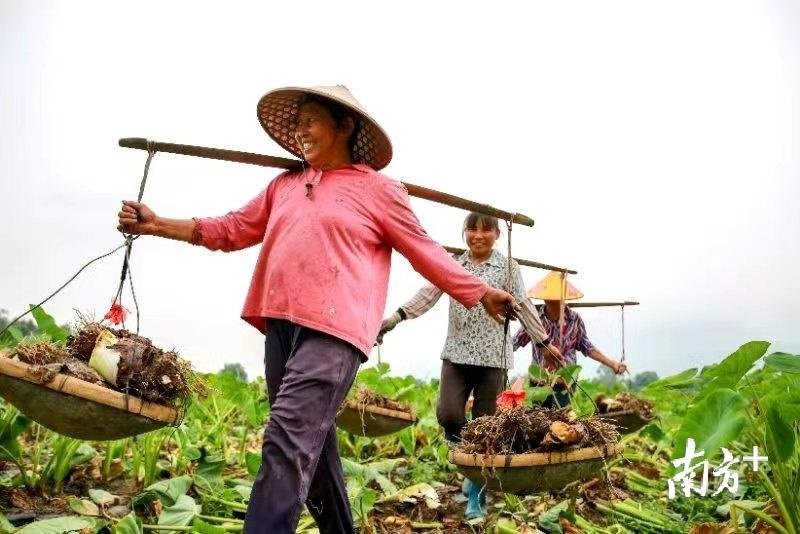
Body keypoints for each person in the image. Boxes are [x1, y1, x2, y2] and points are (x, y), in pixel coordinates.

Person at [116, 85, 516, 534]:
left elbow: (424, 251)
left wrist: (480, 291)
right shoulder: (284, 185)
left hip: (336, 332)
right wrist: (158, 224)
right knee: (313, 446)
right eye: (298, 122)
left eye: (311, 120)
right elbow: (231, 229)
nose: (301, 130)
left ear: (344, 126)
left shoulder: (380, 190)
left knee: (286, 439)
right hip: (280, 326)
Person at [378, 213, 560, 519]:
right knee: (449, 415)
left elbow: (525, 305)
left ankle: (476, 494)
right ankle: (472, 467)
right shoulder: (454, 264)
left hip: (493, 359)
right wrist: (395, 318)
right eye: (472, 229)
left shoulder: (507, 267)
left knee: (486, 431)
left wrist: (543, 342)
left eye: (485, 229)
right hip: (457, 354)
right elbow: (428, 293)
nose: (478, 235)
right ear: (465, 233)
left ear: (497, 234)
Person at [512, 271, 628, 408]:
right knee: (540, 418)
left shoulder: (574, 319)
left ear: (564, 299)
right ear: (544, 299)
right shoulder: (535, 318)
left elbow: (587, 347)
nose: (554, 302)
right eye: (550, 299)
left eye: (557, 299)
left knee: (562, 418)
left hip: (565, 381)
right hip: (540, 380)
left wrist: (612, 364)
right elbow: (516, 341)